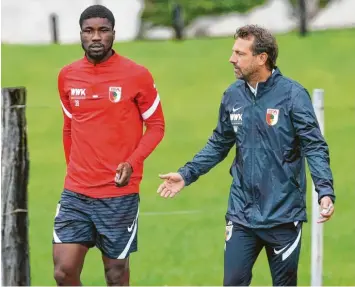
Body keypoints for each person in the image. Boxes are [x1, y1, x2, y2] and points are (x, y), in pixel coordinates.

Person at [157, 25, 335, 286]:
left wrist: (325, 189)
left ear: (262, 58)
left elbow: (314, 145)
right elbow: (219, 143)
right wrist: (186, 174)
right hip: (242, 214)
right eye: (233, 52)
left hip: (283, 215)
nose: (232, 59)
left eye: (240, 53)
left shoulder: (293, 95)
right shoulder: (232, 96)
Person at [53, 4, 165, 286]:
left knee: (115, 274)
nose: (95, 37)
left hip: (118, 193)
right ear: (80, 34)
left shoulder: (136, 75)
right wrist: (75, 171)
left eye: (103, 30)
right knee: (63, 271)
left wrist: (132, 162)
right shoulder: (67, 76)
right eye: (89, 31)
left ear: (113, 33)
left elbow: (156, 127)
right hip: (76, 192)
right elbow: (69, 128)